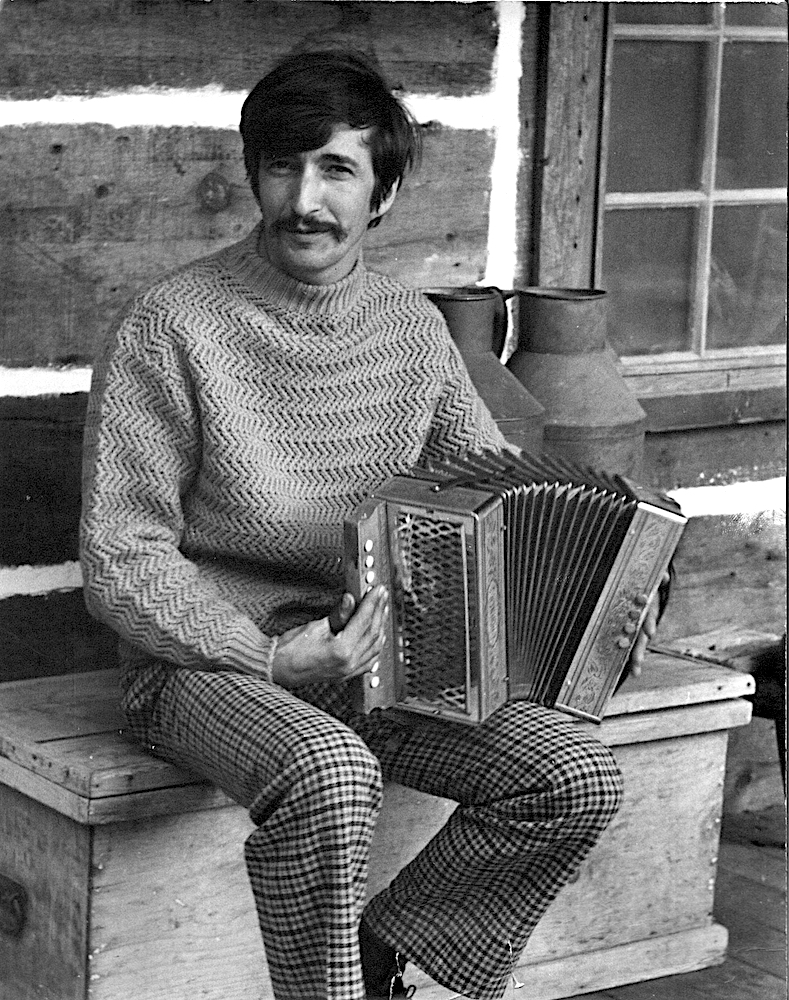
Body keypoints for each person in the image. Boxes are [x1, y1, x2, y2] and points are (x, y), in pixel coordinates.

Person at [80, 49, 660, 1000]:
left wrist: (609, 608)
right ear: (253, 174)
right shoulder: (171, 324)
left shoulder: (409, 328)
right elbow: (120, 555)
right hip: (201, 668)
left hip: (379, 659)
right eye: (282, 166)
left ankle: (384, 953)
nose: (304, 198)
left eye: (337, 170)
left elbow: (500, 499)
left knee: (570, 776)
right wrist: (264, 656)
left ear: (381, 194)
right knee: (331, 770)